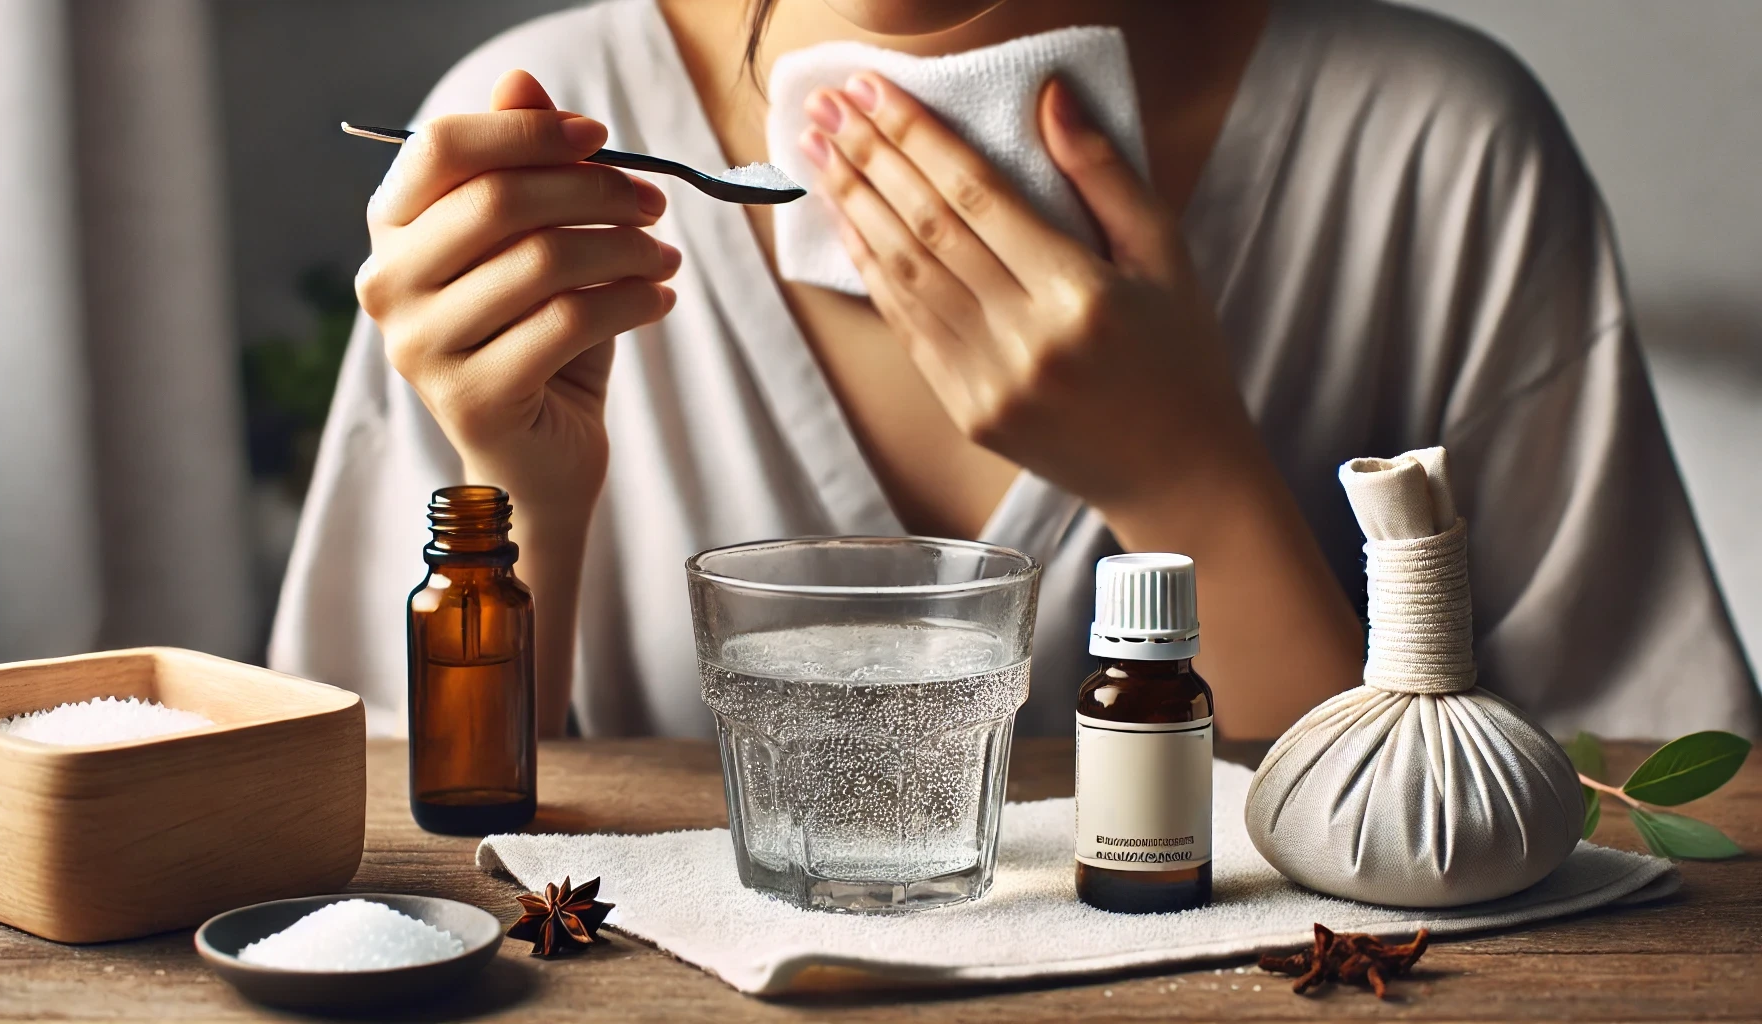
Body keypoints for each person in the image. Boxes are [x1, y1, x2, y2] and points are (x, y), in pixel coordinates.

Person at [270, 0, 1759, 741]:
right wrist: (521, 496)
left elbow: (1657, 844)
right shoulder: (533, 148)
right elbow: (384, 885)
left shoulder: (1434, 150)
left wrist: (1193, 483)